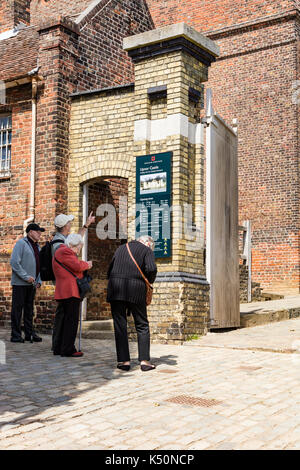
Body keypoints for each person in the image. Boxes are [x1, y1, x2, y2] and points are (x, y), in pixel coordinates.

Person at [107, 235, 157, 372]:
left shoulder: (121, 248)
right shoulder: (146, 250)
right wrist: (149, 281)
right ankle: (144, 361)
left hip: (115, 289)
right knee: (141, 324)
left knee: (120, 325)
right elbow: (151, 269)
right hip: (135, 289)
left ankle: (124, 361)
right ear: (147, 243)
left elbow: (109, 269)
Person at [51, 212, 95, 354]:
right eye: (78, 248)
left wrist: (86, 225)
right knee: (70, 321)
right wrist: (87, 265)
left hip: (65, 290)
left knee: (65, 320)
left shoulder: (64, 248)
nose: (78, 250)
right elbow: (76, 266)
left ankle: (59, 347)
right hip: (69, 291)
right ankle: (67, 349)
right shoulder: (63, 250)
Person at [10, 223, 44, 343]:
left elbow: (39, 265)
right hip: (20, 284)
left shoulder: (37, 247)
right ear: (30, 232)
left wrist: (38, 280)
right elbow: (14, 262)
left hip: (32, 284)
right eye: (37, 231)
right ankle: (15, 335)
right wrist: (26, 277)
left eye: (40, 231)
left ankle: (29, 333)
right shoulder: (21, 243)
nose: (40, 233)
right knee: (17, 310)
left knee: (29, 311)